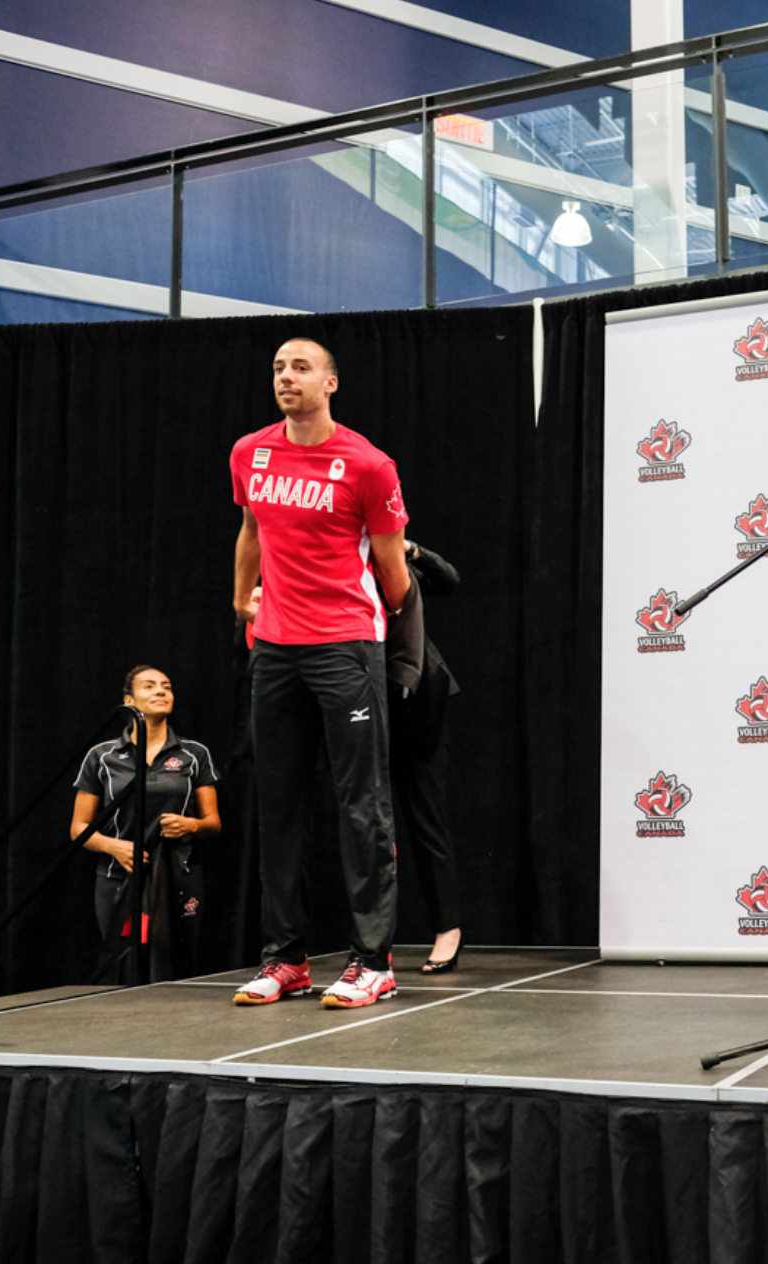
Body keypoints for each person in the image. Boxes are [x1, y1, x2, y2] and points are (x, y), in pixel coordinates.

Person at [229, 337, 413, 1008]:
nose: (286, 377)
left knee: (361, 805)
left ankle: (373, 961)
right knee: (278, 806)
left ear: (330, 383)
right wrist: (240, 597)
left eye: (300, 368)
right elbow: (251, 530)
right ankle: (287, 960)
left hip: (344, 646)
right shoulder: (250, 452)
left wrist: (386, 631)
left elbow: (394, 572)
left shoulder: (369, 465)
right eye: (277, 367)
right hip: (274, 648)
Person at [72, 665, 220, 980]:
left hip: (180, 878)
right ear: (129, 701)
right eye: (149, 686)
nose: (160, 692)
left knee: (177, 969)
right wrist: (114, 847)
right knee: (127, 967)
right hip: (119, 879)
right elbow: (78, 829)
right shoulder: (102, 756)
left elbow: (213, 822)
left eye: (166, 686)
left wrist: (191, 825)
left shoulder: (194, 754)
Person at [385, 538, 465, 973]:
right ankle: (372, 940)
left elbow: (449, 580)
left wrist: (409, 549)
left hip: (418, 701)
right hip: (358, 698)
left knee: (425, 818)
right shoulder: (333, 564)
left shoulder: (392, 559)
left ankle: (447, 928)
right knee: (366, 822)